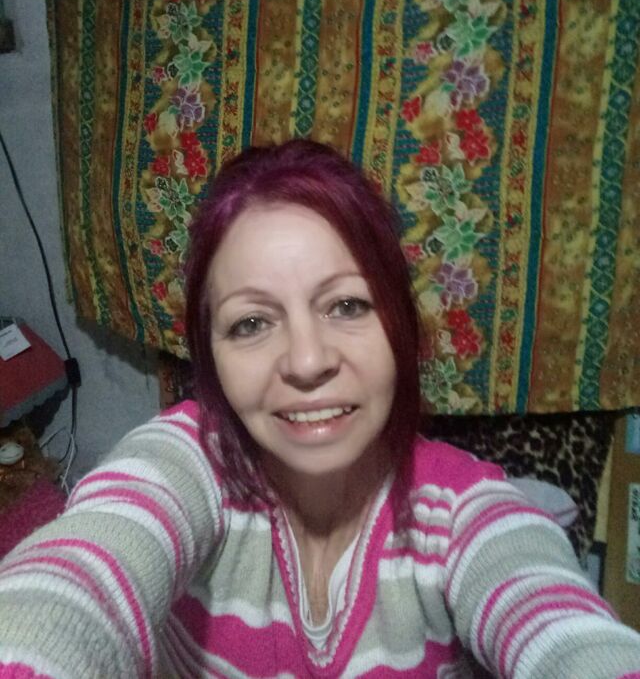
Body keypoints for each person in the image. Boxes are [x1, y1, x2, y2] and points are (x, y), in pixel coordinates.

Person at [0, 138, 639, 678]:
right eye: (251, 322)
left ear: (400, 326)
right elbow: (80, 576)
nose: (307, 362)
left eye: (347, 306)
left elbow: (561, 627)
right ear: (210, 357)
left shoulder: (463, 511)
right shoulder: (186, 464)